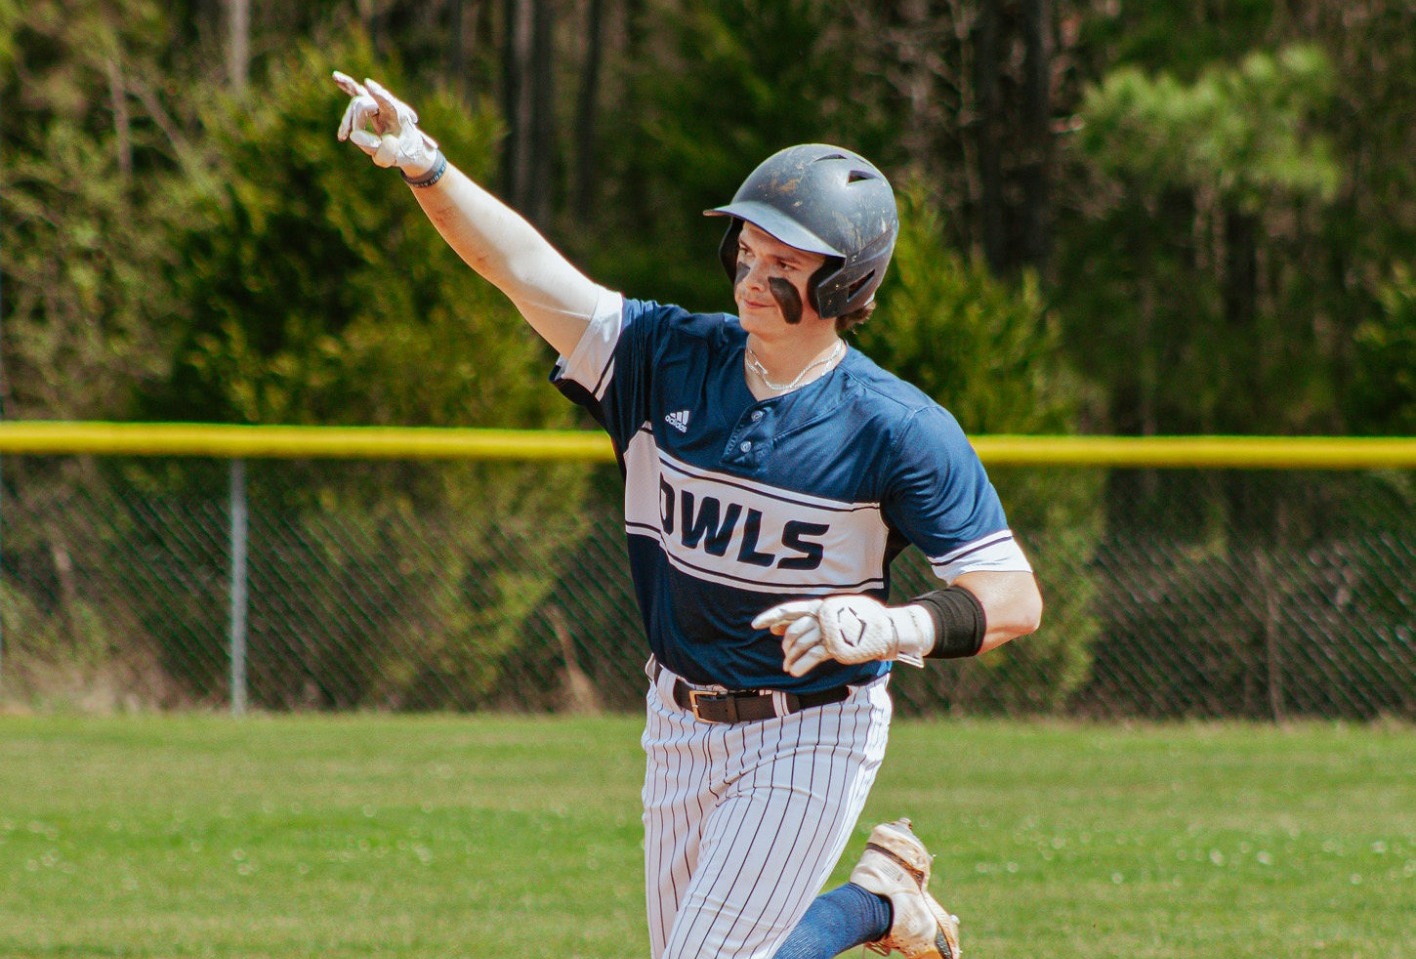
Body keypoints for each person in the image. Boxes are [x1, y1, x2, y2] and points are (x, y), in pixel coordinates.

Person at [333, 73, 1043, 959]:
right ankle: (877, 904)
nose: (753, 274)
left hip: (810, 728)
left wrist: (898, 625)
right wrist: (424, 163)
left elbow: (1013, 596)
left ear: (845, 282)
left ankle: (869, 908)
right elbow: (520, 271)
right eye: (747, 250)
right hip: (676, 723)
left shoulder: (894, 426)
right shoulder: (664, 357)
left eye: (786, 263)